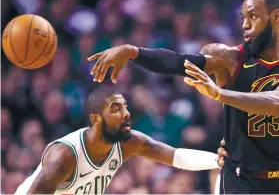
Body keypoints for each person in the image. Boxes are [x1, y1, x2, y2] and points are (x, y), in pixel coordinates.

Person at [88, 0, 279, 194]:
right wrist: (134, 52)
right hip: (239, 180)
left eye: (253, 16)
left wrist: (219, 94)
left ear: (276, 18)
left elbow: (275, 102)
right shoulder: (230, 59)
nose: (245, 25)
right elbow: (178, 62)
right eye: (243, 18)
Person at [15, 87, 224, 195]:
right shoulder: (65, 155)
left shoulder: (128, 142)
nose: (126, 113)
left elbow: (176, 156)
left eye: (125, 106)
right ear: (96, 120)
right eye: (116, 109)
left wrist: (218, 160)